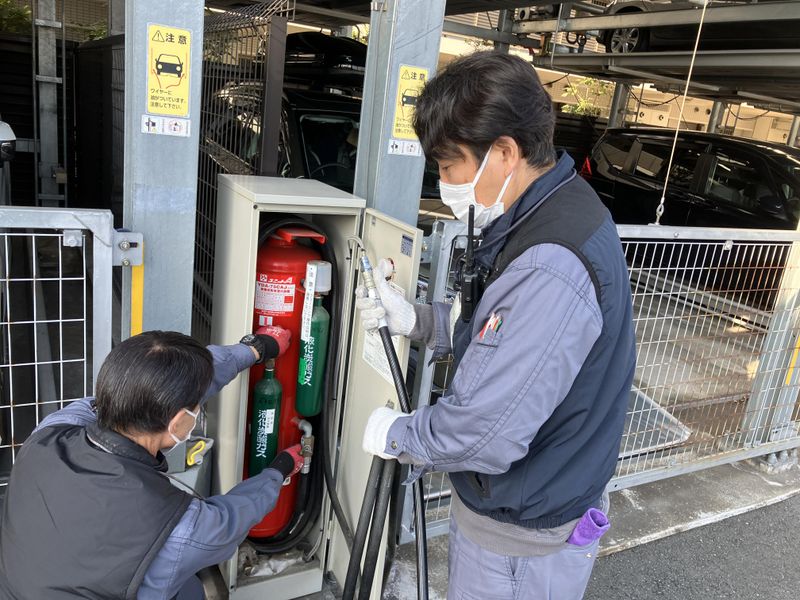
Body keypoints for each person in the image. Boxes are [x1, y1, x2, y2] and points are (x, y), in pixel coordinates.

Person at [357, 51, 636, 599]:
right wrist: (417, 320)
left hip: (521, 541)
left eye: (448, 166)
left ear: (504, 153)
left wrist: (398, 434)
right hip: (531, 505)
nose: (444, 183)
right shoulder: (548, 208)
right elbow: (499, 335)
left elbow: (483, 433)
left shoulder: (549, 264)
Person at [0, 328, 302, 599]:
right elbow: (233, 517)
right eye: (196, 407)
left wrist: (252, 350)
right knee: (192, 590)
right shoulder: (180, 529)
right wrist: (279, 469)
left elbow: (154, 388)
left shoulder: (51, 431)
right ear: (179, 422)